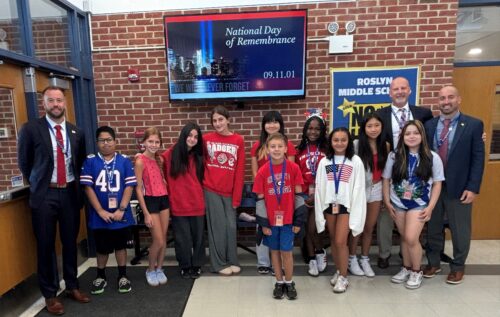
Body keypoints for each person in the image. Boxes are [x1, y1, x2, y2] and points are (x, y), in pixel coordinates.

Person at [17, 86, 89, 315]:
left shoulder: (76, 132)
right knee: (46, 245)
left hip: (69, 193)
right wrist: (40, 184)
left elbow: (78, 164)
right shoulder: (31, 129)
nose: (56, 104)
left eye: (59, 100)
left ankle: (72, 286)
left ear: (65, 103)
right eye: (51, 100)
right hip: (45, 194)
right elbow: (24, 163)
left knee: (70, 242)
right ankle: (49, 294)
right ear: (44, 104)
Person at [423, 85, 485, 284]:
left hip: (461, 187)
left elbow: (478, 158)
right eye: (442, 98)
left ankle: (458, 266)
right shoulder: (429, 126)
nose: (446, 101)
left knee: (460, 230)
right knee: (433, 227)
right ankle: (433, 262)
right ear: (438, 102)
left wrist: (473, 187)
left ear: (459, 99)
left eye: (450, 97)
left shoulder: (474, 125)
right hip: (434, 187)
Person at [375, 76, 433, 269]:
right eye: (395, 89)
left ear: (409, 90)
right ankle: (384, 254)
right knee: (388, 216)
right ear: (390, 93)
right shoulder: (380, 115)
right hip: (391, 172)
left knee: (410, 229)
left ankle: (408, 260)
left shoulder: (423, 114)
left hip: (417, 176)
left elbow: (433, 134)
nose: (399, 92)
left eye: (403, 88)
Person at [382, 120, 444, 289]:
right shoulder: (394, 156)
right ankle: (406, 268)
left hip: (419, 204)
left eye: (415, 133)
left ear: (422, 135)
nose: (411, 136)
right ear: (403, 136)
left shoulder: (432, 157)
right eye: (408, 133)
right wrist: (387, 201)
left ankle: (417, 271)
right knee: (404, 238)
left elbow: (438, 183)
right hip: (398, 203)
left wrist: (430, 207)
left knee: (411, 238)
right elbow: (386, 179)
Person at [80, 126, 137, 294]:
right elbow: (88, 188)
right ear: (97, 143)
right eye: (102, 140)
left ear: (115, 141)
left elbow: (129, 186)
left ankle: (122, 276)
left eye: (109, 140)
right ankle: (101, 276)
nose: (106, 143)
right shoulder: (90, 161)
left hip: (120, 214)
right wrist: (100, 210)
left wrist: (121, 208)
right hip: (100, 215)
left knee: (120, 246)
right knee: (102, 247)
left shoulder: (124, 161)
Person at [252, 133, 305, 300]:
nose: (276, 149)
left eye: (279, 146)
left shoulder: (293, 168)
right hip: (271, 222)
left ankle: (289, 282)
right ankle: (279, 282)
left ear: (285, 148)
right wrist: (264, 223)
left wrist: (298, 220)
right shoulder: (262, 171)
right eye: (272, 146)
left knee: (287, 252)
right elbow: (260, 200)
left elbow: (298, 196)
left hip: (288, 220)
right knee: (274, 251)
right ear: (267, 149)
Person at [315, 127, 366, 293]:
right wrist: (320, 207)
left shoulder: (355, 161)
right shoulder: (325, 161)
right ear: (330, 141)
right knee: (333, 241)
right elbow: (320, 186)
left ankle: (344, 277)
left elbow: (358, 187)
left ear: (349, 142)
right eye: (336, 140)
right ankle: (339, 270)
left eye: (343, 140)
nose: (339, 143)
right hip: (330, 204)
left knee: (340, 241)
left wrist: (356, 209)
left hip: (346, 206)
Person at [251, 110, 296, 274]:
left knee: (282, 233)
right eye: (268, 122)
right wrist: (263, 192)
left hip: (283, 196)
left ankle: (283, 267)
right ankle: (263, 262)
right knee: (263, 227)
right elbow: (256, 173)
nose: (272, 125)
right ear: (263, 125)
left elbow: (289, 173)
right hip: (265, 193)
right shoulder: (257, 146)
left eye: (275, 121)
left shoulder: (288, 145)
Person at [203, 106, 245, 275]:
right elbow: (187, 151)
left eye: (221, 119)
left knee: (230, 227)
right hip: (211, 189)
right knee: (217, 228)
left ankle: (231, 260)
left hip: (229, 192)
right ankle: (219, 264)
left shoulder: (238, 140)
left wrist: (237, 197)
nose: (218, 123)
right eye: (214, 120)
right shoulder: (206, 139)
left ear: (228, 119)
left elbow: (240, 170)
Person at [348, 112, 389, 277]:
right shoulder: (356, 145)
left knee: (369, 227)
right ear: (363, 128)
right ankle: (352, 258)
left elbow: (386, 171)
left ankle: (364, 258)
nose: (373, 129)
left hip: (377, 188)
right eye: (369, 126)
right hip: (359, 190)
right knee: (356, 226)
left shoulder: (385, 145)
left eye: (377, 126)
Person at [163, 122, 206, 279]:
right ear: (183, 136)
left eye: (196, 137)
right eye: (190, 135)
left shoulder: (199, 156)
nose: (192, 139)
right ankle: (185, 265)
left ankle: (197, 265)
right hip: (178, 204)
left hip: (197, 204)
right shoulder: (169, 155)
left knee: (199, 238)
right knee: (182, 239)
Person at [295, 109, 329, 277]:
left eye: (317, 129)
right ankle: (311, 258)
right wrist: (302, 195)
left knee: (314, 227)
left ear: (322, 131)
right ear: (305, 129)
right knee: (306, 228)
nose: (313, 132)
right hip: (303, 195)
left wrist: (317, 195)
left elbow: (331, 175)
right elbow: (296, 175)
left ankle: (320, 251)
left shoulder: (327, 149)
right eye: (310, 128)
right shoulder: (299, 150)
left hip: (321, 195)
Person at [134, 127, 170, 286]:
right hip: (150, 201)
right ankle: (150, 269)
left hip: (163, 199)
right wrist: (146, 213)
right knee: (158, 240)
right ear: (144, 142)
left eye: (157, 142)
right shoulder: (140, 161)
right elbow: (138, 188)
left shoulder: (160, 159)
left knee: (164, 237)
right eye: (150, 141)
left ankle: (159, 268)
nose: (154, 144)